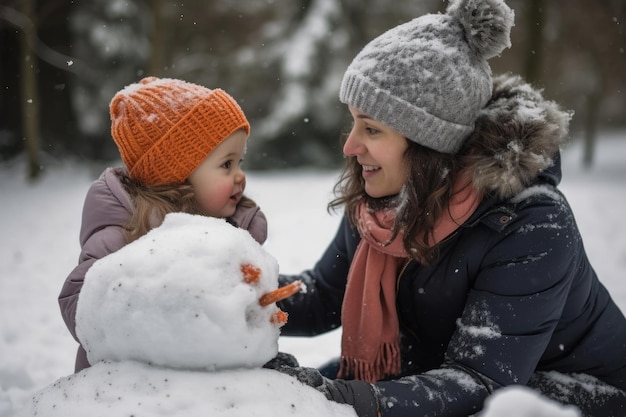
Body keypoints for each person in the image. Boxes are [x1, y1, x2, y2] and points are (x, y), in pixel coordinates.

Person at [267, 0, 626, 416]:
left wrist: (341, 397)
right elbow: (327, 295)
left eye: (371, 128)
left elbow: (481, 382)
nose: (350, 145)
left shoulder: (530, 225)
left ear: (427, 142)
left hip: (574, 395)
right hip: (446, 373)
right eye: (353, 123)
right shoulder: (384, 199)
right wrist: (239, 296)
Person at [58, 76, 267, 373]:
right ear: (177, 175)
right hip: (128, 392)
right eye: (226, 164)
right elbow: (77, 303)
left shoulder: (232, 232)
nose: (240, 176)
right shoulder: (124, 239)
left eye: (240, 162)